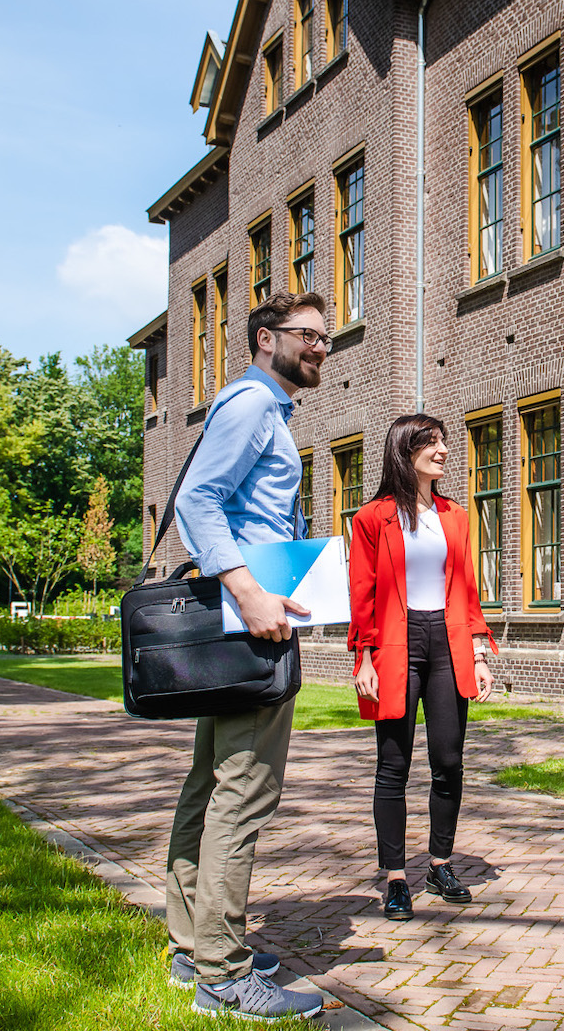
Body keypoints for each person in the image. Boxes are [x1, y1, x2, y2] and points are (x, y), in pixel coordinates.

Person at [165, 290, 332, 1023]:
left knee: (209, 783)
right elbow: (200, 501)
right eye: (309, 335)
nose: (321, 346)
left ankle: (193, 948)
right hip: (250, 624)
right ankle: (224, 976)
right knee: (243, 790)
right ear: (267, 339)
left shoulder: (267, 408)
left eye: (325, 337)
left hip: (246, 620)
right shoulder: (252, 406)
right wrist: (247, 587)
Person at [348, 414, 498, 922]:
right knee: (394, 765)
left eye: (444, 442)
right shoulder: (373, 518)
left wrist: (478, 652)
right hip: (394, 641)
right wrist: (363, 656)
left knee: (449, 759)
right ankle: (394, 877)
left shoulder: (455, 515)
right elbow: (362, 593)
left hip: (448, 641)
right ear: (404, 450)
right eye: (431, 443)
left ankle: (440, 863)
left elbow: (467, 588)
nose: (443, 451)